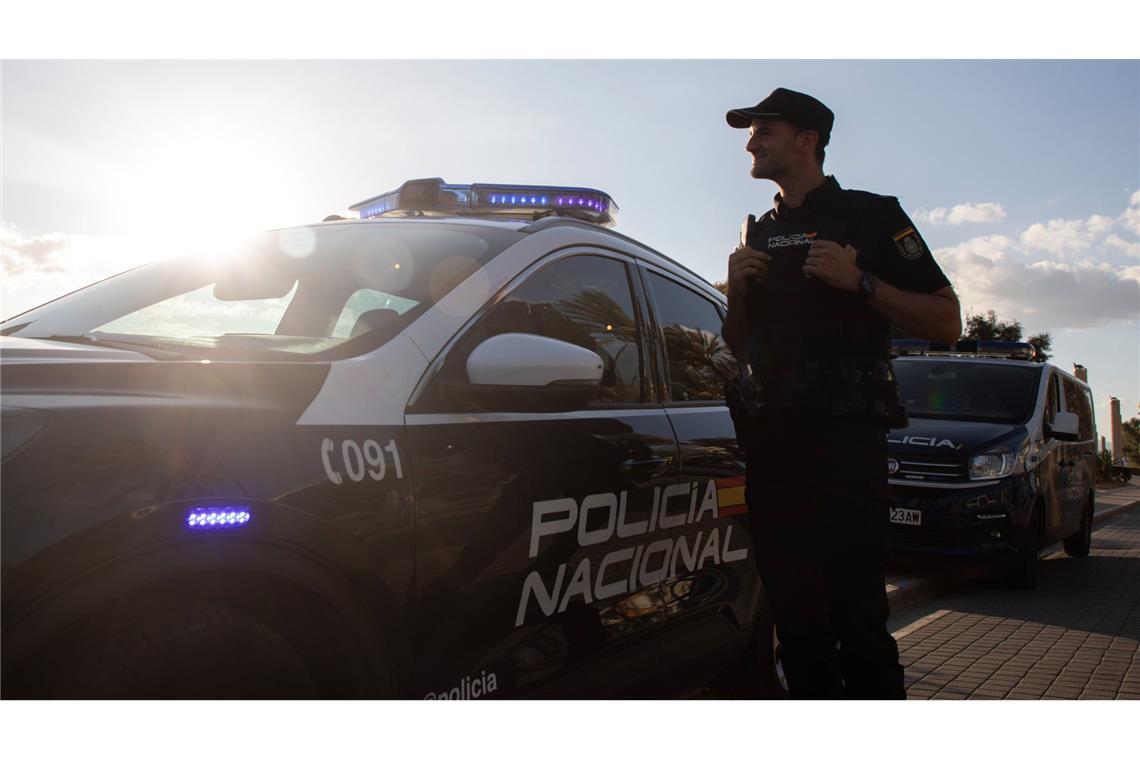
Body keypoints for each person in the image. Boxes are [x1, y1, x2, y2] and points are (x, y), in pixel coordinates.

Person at [722, 87, 961, 699]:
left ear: (807, 141)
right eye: (750, 131)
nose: (751, 141)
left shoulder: (873, 215)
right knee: (795, 625)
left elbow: (946, 322)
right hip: (773, 446)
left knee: (857, 618)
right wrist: (737, 296)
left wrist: (859, 281)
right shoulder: (758, 229)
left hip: (845, 445)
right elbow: (740, 347)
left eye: (764, 130)